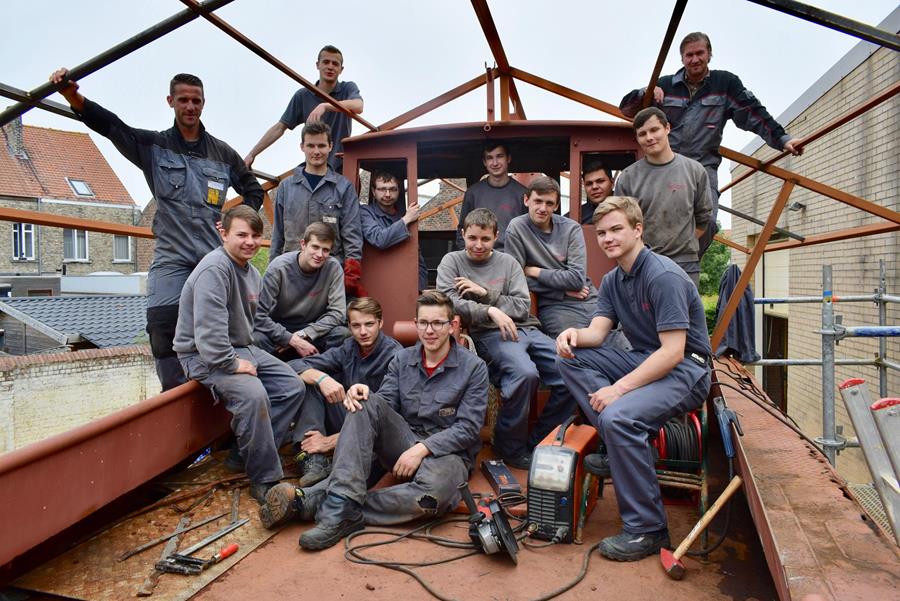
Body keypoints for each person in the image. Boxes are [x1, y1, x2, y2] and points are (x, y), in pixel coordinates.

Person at [49, 68, 264, 391]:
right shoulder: (154, 146)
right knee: (162, 324)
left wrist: (235, 223)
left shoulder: (222, 154)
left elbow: (254, 190)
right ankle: (175, 397)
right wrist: (73, 97)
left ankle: (223, 392)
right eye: (183, 100)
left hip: (212, 257)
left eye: (196, 101)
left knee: (227, 322)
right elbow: (113, 127)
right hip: (172, 256)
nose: (190, 107)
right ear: (171, 102)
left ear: (203, 104)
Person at [259, 291, 489, 552]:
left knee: (435, 495)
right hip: (403, 439)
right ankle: (339, 505)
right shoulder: (402, 359)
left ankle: (326, 506)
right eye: (424, 323)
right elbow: (385, 403)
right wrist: (362, 392)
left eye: (437, 323)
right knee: (364, 400)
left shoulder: (474, 367)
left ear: (452, 325)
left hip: (445, 454)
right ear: (416, 324)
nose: (430, 330)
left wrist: (422, 449)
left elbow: (468, 429)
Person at [555, 196, 711, 562]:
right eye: (602, 232)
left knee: (618, 416)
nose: (608, 238)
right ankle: (618, 445)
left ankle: (648, 530)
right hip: (644, 359)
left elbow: (673, 352)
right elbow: (598, 331)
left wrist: (618, 390)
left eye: (616, 230)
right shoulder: (612, 279)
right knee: (567, 359)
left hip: (686, 369)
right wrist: (573, 335)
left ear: (638, 230)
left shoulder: (663, 276)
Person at [619, 31, 802, 254]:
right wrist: (644, 92)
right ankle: (654, 264)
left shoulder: (725, 84)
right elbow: (628, 110)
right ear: (682, 59)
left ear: (709, 54)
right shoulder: (665, 85)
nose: (695, 59)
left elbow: (754, 114)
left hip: (703, 166)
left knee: (707, 223)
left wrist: (783, 140)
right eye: (689, 55)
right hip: (665, 167)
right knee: (655, 220)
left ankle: (688, 262)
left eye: (699, 53)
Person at [173, 205, 304, 504]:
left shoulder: (251, 271)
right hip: (203, 355)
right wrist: (233, 364)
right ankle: (264, 478)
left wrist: (284, 340)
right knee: (254, 395)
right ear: (223, 233)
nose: (250, 242)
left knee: (292, 387)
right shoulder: (214, 270)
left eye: (256, 236)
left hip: (240, 347)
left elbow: (254, 322)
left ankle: (243, 453)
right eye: (241, 234)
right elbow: (207, 334)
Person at [438, 208, 575, 469]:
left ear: (496, 237)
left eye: (485, 239)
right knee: (524, 374)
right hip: (491, 333)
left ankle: (538, 441)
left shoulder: (508, 263)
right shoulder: (452, 262)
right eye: (473, 238)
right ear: (463, 234)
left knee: (572, 369)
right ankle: (509, 446)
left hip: (529, 330)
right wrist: (490, 311)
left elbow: (522, 306)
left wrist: (485, 294)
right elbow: (449, 304)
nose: (478, 245)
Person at [287, 297, 403, 487]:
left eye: (369, 324)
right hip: (346, 415)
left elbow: (390, 421)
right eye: (356, 326)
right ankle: (312, 459)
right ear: (349, 326)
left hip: (374, 432)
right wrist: (320, 377)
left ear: (381, 323)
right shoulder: (349, 347)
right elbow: (291, 367)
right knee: (309, 381)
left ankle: (322, 452)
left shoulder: (394, 356)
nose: (363, 332)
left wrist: (329, 442)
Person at [614, 107, 712, 287]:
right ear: (637, 138)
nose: (649, 137)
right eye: (642, 133)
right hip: (642, 264)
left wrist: (682, 243)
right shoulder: (627, 178)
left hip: (685, 265)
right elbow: (619, 226)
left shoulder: (694, 170)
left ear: (667, 128)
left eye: (654, 130)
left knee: (683, 315)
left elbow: (703, 219)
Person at [269, 121, 365, 296]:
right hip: (292, 271)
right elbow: (278, 235)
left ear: (330, 146)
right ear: (302, 147)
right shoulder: (286, 187)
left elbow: (352, 234)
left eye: (321, 145)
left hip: (328, 273)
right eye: (311, 146)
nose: (316, 151)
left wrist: (351, 273)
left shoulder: (343, 187)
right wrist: (272, 270)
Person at [244, 44, 363, 173]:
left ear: (341, 69)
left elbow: (358, 106)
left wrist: (325, 106)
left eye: (335, 64)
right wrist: (252, 154)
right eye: (326, 62)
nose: (330, 67)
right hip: (315, 167)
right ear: (317, 65)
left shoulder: (347, 88)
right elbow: (280, 127)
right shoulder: (303, 95)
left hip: (341, 168)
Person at [504, 176, 598, 338]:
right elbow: (514, 280)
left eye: (549, 203)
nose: (543, 208)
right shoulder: (517, 228)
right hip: (555, 306)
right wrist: (561, 292)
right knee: (573, 347)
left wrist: (534, 271)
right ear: (527, 200)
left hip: (589, 298)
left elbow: (576, 280)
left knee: (620, 340)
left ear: (556, 206)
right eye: (538, 201)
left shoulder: (571, 229)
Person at [254, 222, 349, 358]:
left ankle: (318, 370)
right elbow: (259, 315)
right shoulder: (279, 268)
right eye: (315, 247)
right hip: (279, 328)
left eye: (326, 250)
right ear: (303, 244)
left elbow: (338, 313)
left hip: (313, 329)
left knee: (342, 334)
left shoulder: (333, 268)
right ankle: (275, 371)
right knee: (256, 339)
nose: (320, 254)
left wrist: (305, 334)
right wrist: (289, 338)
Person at [360, 171, 428, 290]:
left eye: (392, 189)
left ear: (399, 191)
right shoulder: (365, 212)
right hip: (377, 282)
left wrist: (420, 288)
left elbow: (417, 259)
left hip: (404, 282)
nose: (387, 194)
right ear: (373, 191)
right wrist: (406, 219)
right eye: (382, 189)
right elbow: (379, 239)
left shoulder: (402, 216)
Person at [455, 142, 527, 251]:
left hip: (512, 258)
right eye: (489, 158)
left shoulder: (523, 194)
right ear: (484, 162)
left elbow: (530, 232)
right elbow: (462, 230)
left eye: (499, 156)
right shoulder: (473, 193)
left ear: (508, 158)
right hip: (479, 257)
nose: (495, 163)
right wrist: (467, 258)